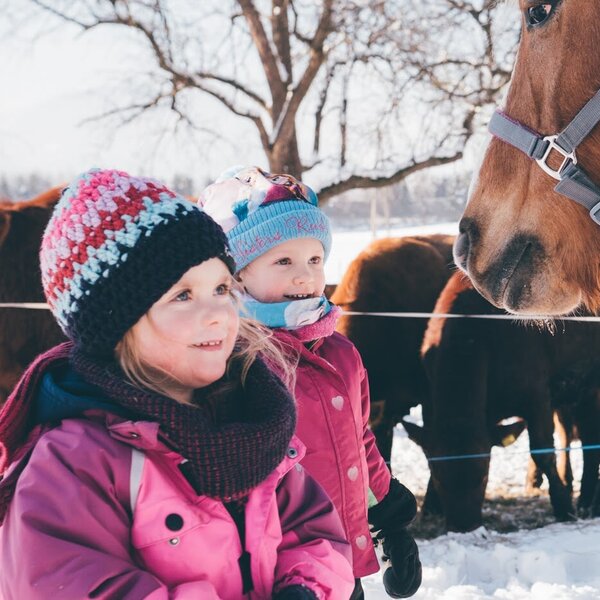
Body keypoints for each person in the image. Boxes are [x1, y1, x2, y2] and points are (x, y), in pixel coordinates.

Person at [0, 168, 355, 599]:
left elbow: (314, 530)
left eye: (222, 288)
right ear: (116, 324)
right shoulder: (74, 464)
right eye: (182, 295)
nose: (218, 314)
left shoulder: (254, 419)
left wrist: (305, 587)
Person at [201, 166, 422, 599]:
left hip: (342, 569)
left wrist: (391, 519)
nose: (304, 275)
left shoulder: (340, 353)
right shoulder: (230, 360)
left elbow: (358, 443)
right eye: (283, 261)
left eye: (314, 259)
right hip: (273, 576)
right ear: (238, 274)